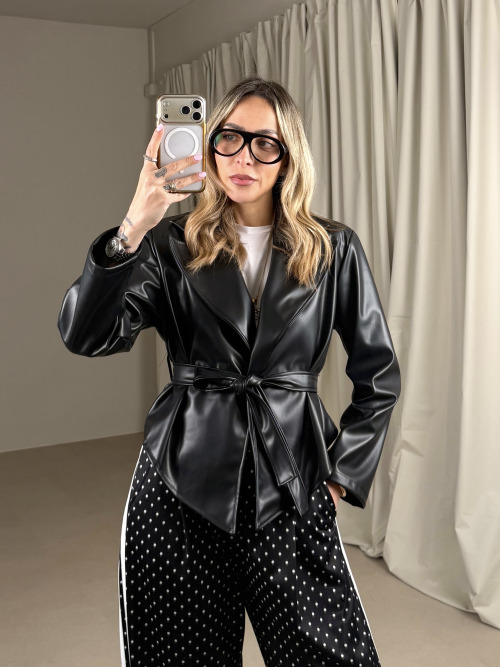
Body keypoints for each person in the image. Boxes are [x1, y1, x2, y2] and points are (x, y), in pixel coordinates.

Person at [58, 76, 401, 666]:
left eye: (265, 143)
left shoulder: (333, 248)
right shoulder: (168, 244)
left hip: (291, 482)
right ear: (209, 144)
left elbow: (379, 374)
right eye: (230, 138)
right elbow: (85, 335)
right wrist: (133, 227)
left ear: (288, 156)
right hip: (179, 483)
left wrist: (342, 475)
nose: (244, 157)